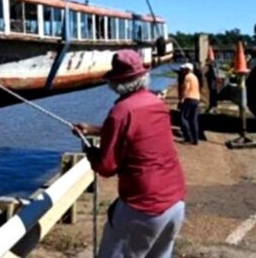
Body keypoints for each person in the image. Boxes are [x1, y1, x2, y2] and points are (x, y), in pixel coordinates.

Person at [73, 49, 186, 258]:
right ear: (144, 76)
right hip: (175, 201)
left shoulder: (120, 112)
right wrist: (94, 129)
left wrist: (89, 151)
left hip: (143, 205)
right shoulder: (156, 102)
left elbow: (106, 167)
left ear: (116, 83)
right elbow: (137, 131)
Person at [177, 63, 202, 144]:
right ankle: (195, 139)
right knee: (194, 120)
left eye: (184, 69)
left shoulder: (187, 77)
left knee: (183, 118)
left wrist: (181, 99)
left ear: (187, 69)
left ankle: (188, 138)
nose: (183, 70)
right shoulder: (195, 77)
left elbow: (186, 89)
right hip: (196, 99)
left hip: (189, 98)